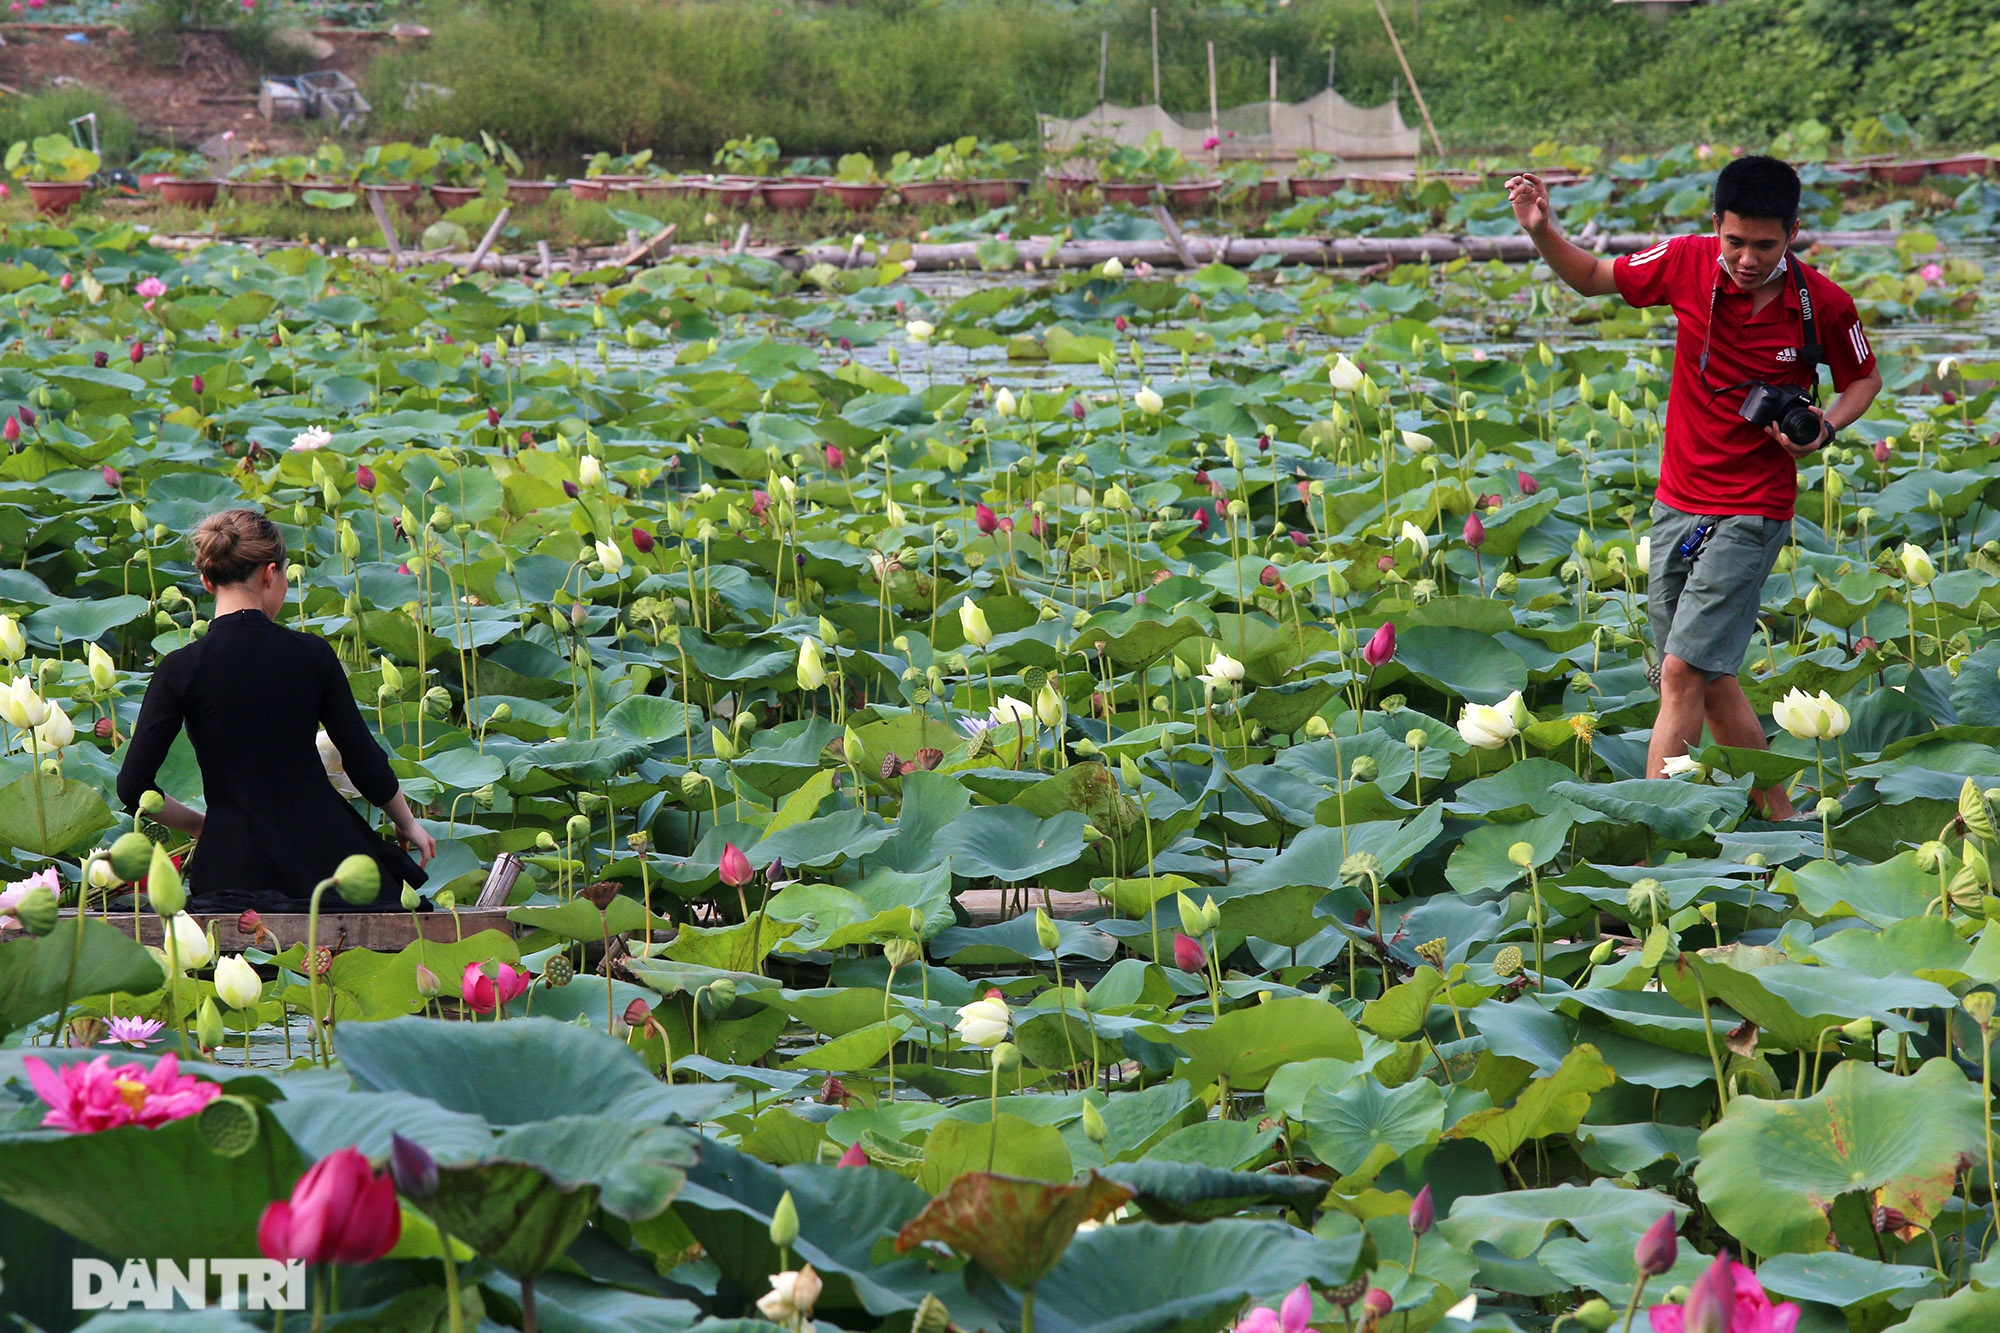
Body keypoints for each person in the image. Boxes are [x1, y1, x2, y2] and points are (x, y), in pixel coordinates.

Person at [1507, 155, 1882, 819]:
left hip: (1754, 507)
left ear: (1792, 232)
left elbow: (1863, 379)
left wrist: (1825, 426)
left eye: (1765, 246)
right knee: (1708, 677)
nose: (1746, 259)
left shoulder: (1821, 303)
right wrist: (1542, 230)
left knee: (1679, 670)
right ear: (1717, 226)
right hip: (1677, 498)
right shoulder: (1683, 260)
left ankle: (1655, 836)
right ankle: (1784, 818)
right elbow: (1593, 277)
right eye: (1735, 242)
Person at [117, 508, 436, 911]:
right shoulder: (312, 655)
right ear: (271, 573)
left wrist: (202, 825)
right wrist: (408, 823)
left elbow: (132, 787)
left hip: (232, 867)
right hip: (326, 862)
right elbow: (362, 758)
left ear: (206, 580)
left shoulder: (180, 668)